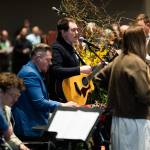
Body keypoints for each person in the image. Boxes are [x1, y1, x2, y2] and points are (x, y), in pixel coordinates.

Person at [96, 25, 150, 150]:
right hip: (136, 121)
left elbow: (99, 78)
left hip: (118, 119)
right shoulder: (136, 62)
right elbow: (144, 95)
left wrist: (119, 93)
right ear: (139, 41)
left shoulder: (119, 59)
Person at [12, 43, 78, 140]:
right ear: (38, 58)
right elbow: (40, 103)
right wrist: (63, 105)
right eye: (48, 60)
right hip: (29, 128)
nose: (50, 63)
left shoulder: (32, 71)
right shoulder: (30, 74)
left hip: (34, 122)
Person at [48, 17, 92, 102]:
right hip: (62, 97)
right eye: (73, 30)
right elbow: (56, 70)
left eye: (77, 30)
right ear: (63, 32)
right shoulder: (56, 48)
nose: (77, 33)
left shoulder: (70, 48)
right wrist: (79, 69)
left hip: (73, 93)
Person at [0, 72, 29, 150]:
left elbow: (10, 136)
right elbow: (7, 135)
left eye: (17, 96)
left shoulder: (7, 109)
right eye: (12, 95)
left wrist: (21, 146)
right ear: (1, 91)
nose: (15, 100)